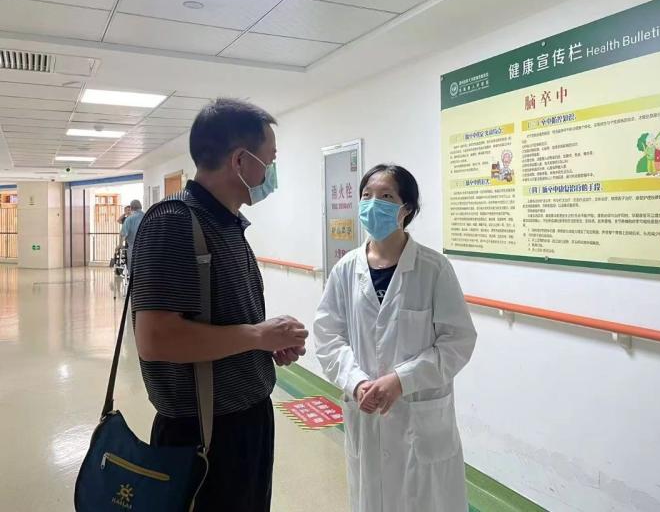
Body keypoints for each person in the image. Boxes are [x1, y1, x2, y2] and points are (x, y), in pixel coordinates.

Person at [131, 98, 308, 512]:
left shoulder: (226, 224)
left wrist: (264, 343)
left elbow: (222, 324)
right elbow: (155, 339)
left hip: (245, 424)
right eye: (270, 160)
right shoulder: (174, 222)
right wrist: (257, 336)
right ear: (240, 161)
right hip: (204, 438)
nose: (272, 172)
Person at [314, 164, 477, 512]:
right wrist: (356, 382)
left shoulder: (434, 269)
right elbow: (328, 337)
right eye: (366, 196)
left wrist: (402, 380)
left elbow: (458, 341)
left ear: (407, 209)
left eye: (386, 196)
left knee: (426, 501)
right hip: (366, 411)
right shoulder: (346, 270)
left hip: (420, 418)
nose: (373, 204)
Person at [119, 200, 144, 267]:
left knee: (133, 268)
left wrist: (120, 245)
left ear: (131, 208)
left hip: (133, 249)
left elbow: (122, 234)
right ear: (141, 206)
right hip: (146, 249)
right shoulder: (147, 217)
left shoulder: (129, 219)